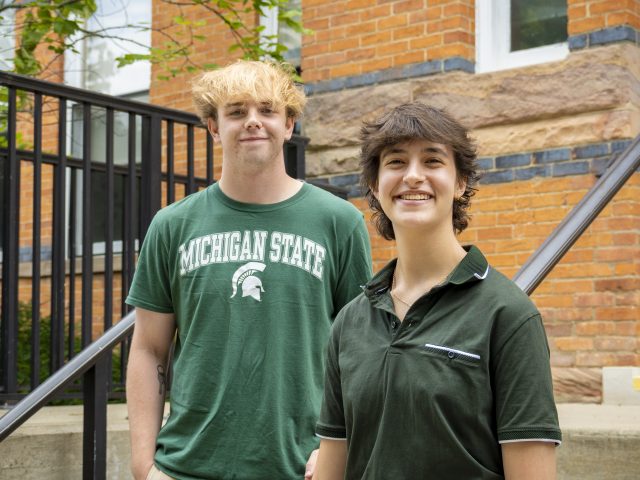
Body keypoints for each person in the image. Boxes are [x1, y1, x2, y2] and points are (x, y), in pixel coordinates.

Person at [125, 60, 372, 480]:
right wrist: (143, 467)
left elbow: (361, 351)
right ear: (214, 128)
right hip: (187, 467)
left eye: (267, 110)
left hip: (302, 467)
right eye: (236, 111)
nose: (253, 122)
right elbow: (149, 350)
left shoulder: (338, 220)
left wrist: (336, 450)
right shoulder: (173, 224)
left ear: (289, 124)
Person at [312, 103, 561, 479]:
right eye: (396, 162)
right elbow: (333, 466)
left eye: (432, 161)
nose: (413, 176)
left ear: (460, 183)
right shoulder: (350, 321)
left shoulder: (508, 314)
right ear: (375, 186)